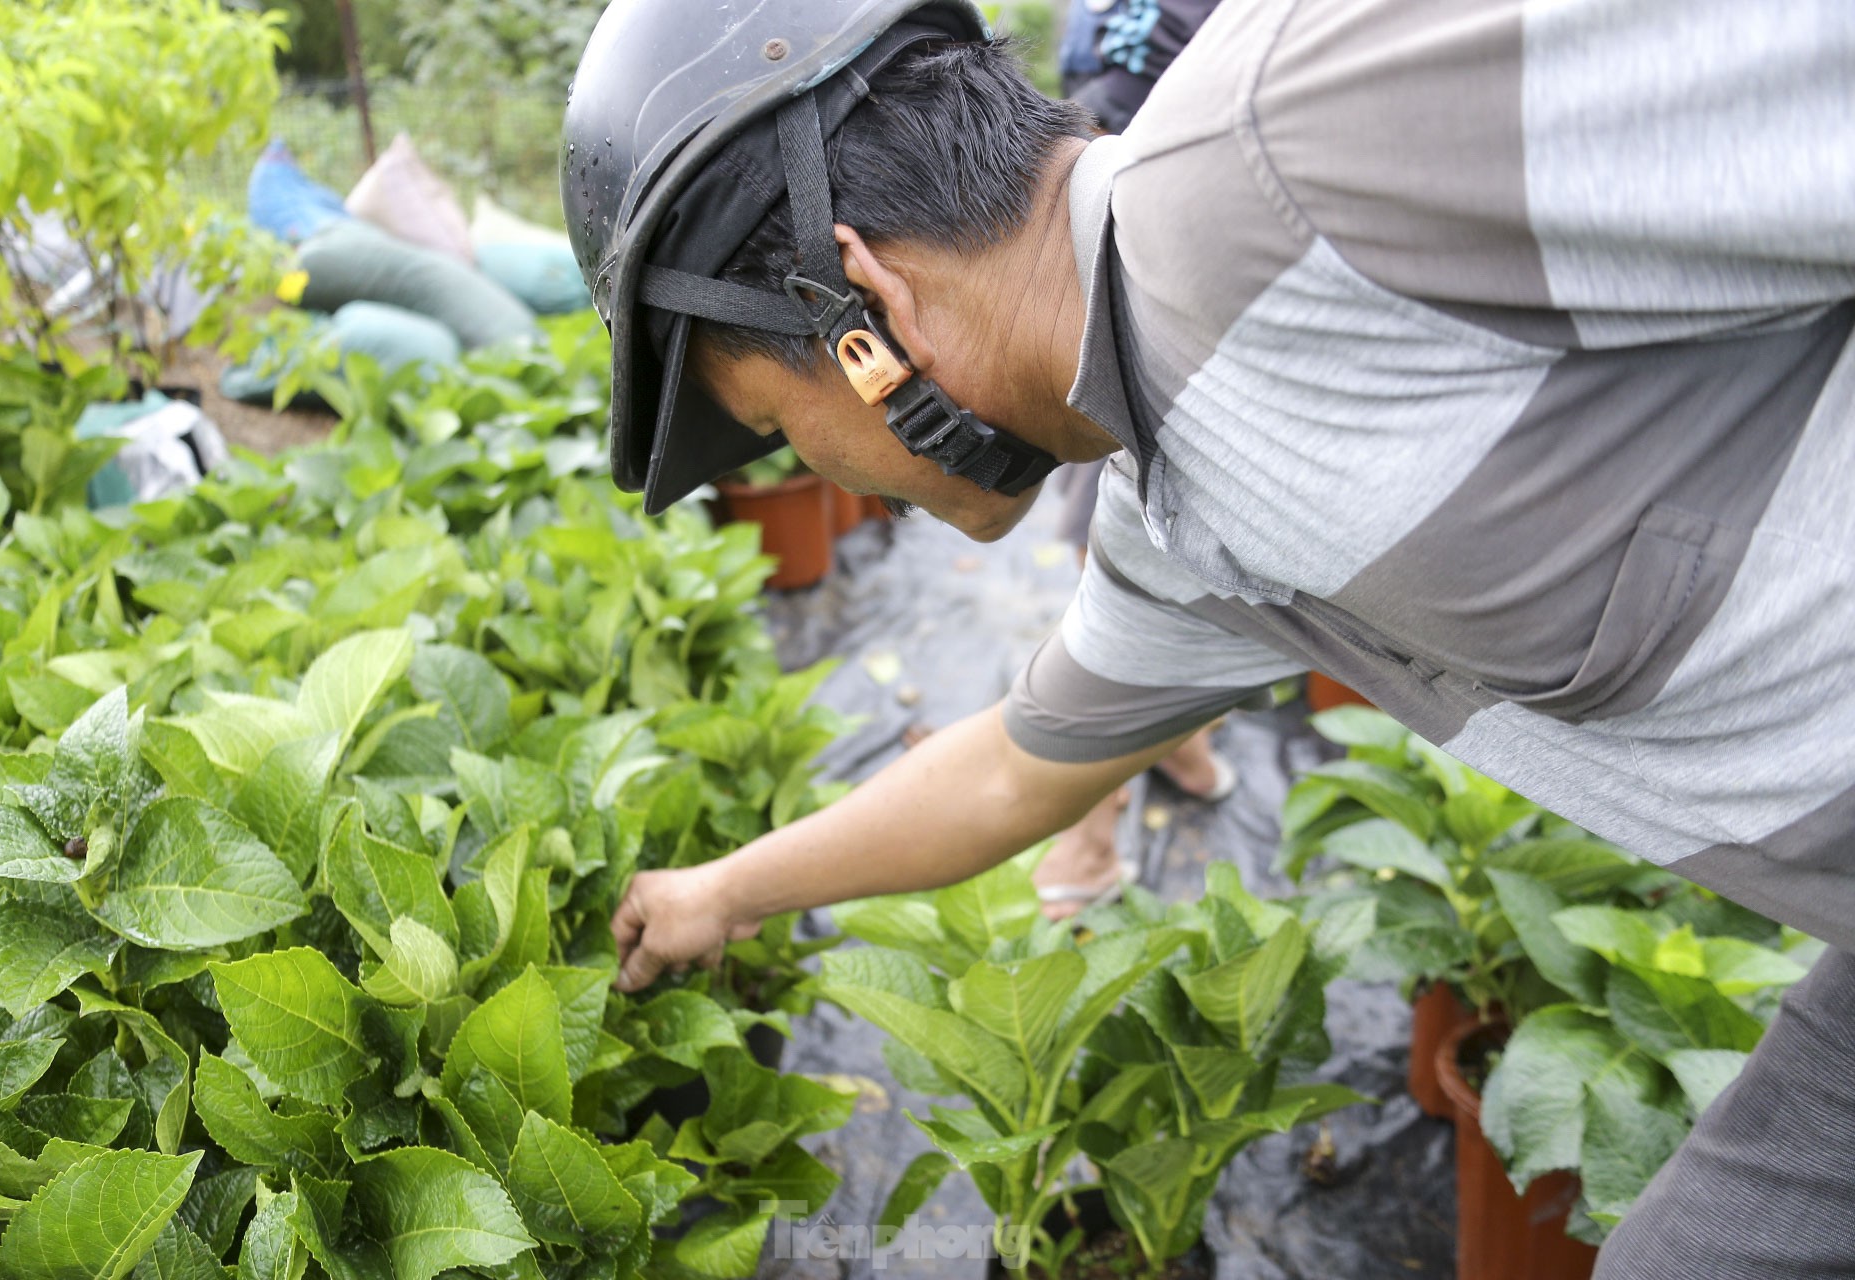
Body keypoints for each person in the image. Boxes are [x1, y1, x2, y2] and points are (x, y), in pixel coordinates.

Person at [562, 2, 1855, 1276]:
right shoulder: (1174, 520)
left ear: (868, 323)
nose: (817, 469)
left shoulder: (1327, 123)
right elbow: (1016, 769)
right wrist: (718, 893)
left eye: (784, 430)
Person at [1036, 0, 1236, 919]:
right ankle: (1149, 781)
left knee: (1156, 553)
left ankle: (1095, 826)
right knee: (1110, 545)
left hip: (1194, 280)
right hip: (1102, 266)